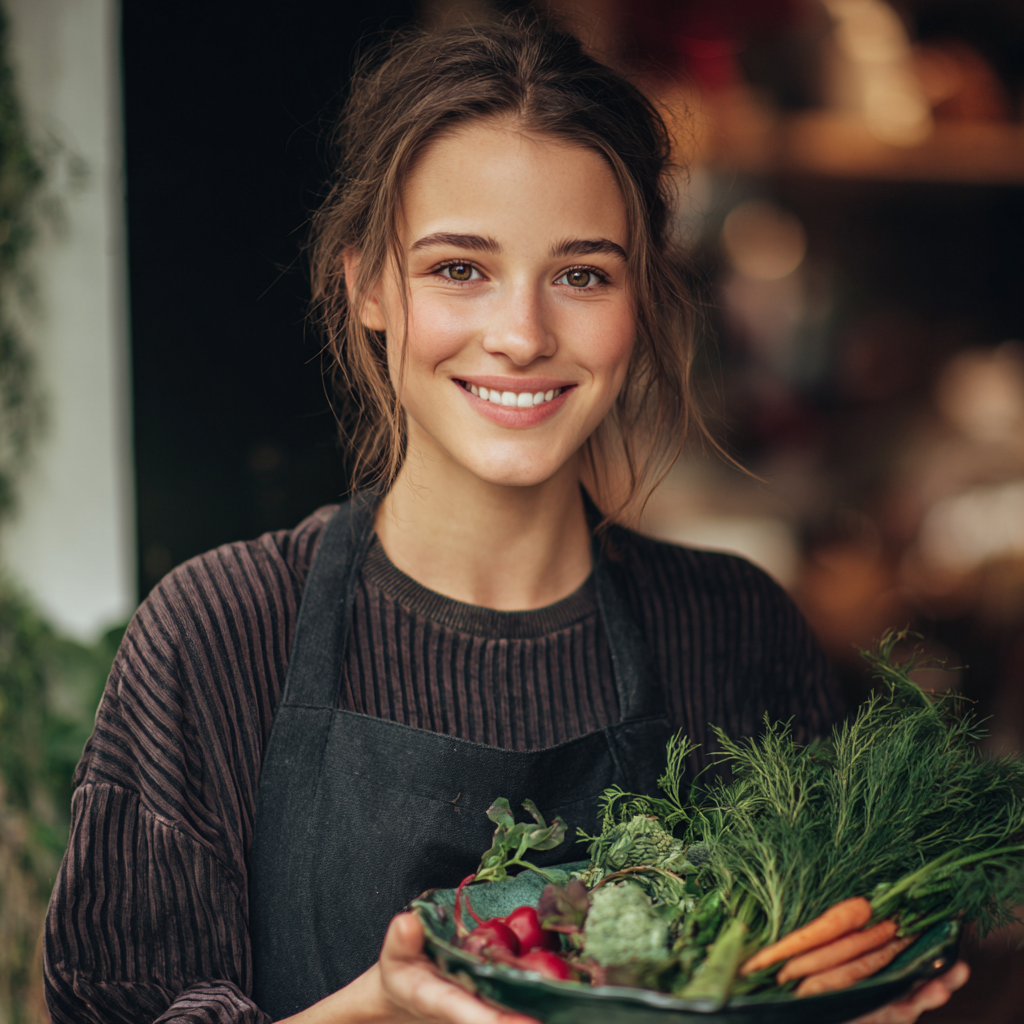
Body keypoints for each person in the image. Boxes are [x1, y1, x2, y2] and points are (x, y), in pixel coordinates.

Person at [43, 16, 967, 1024]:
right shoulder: (218, 636)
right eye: (459, 268)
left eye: (581, 275)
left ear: (640, 301)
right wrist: (374, 1013)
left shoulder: (736, 634)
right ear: (366, 285)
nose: (522, 335)